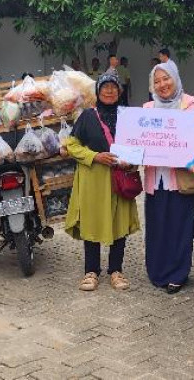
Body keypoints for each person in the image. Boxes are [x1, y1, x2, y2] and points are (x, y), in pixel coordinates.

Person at [65, 71, 140, 291]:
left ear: (120, 91)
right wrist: (95, 156)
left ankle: (116, 271)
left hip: (120, 179)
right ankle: (91, 272)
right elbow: (72, 145)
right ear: (98, 91)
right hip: (94, 180)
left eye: (114, 87)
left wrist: (131, 162)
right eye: (105, 87)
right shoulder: (88, 116)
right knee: (92, 221)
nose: (109, 91)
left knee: (120, 223)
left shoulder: (128, 117)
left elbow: (139, 145)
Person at [144, 62, 194, 294]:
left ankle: (178, 274)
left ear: (176, 79)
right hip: (155, 179)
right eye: (156, 81)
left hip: (180, 180)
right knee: (157, 226)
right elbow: (138, 141)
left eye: (166, 79)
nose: (162, 85)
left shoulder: (191, 107)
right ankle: (157, 271)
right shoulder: (147, 109)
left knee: (179, 228)